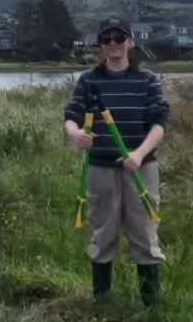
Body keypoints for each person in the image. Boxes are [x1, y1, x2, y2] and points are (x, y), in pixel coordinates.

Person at [63, 16, 170, 306]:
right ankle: (103, 304)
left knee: (145, 235)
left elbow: (159, 123)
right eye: (107, 39)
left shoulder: (146, 81)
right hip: (100, 168)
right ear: (100, 45)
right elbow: (71, 117)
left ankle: (151, 308)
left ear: (130, 43)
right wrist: (76, 135)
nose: (113, 44)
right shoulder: (88, 81)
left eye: (119, 38)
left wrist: (139, 153)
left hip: (141, 168)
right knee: (103, 233)